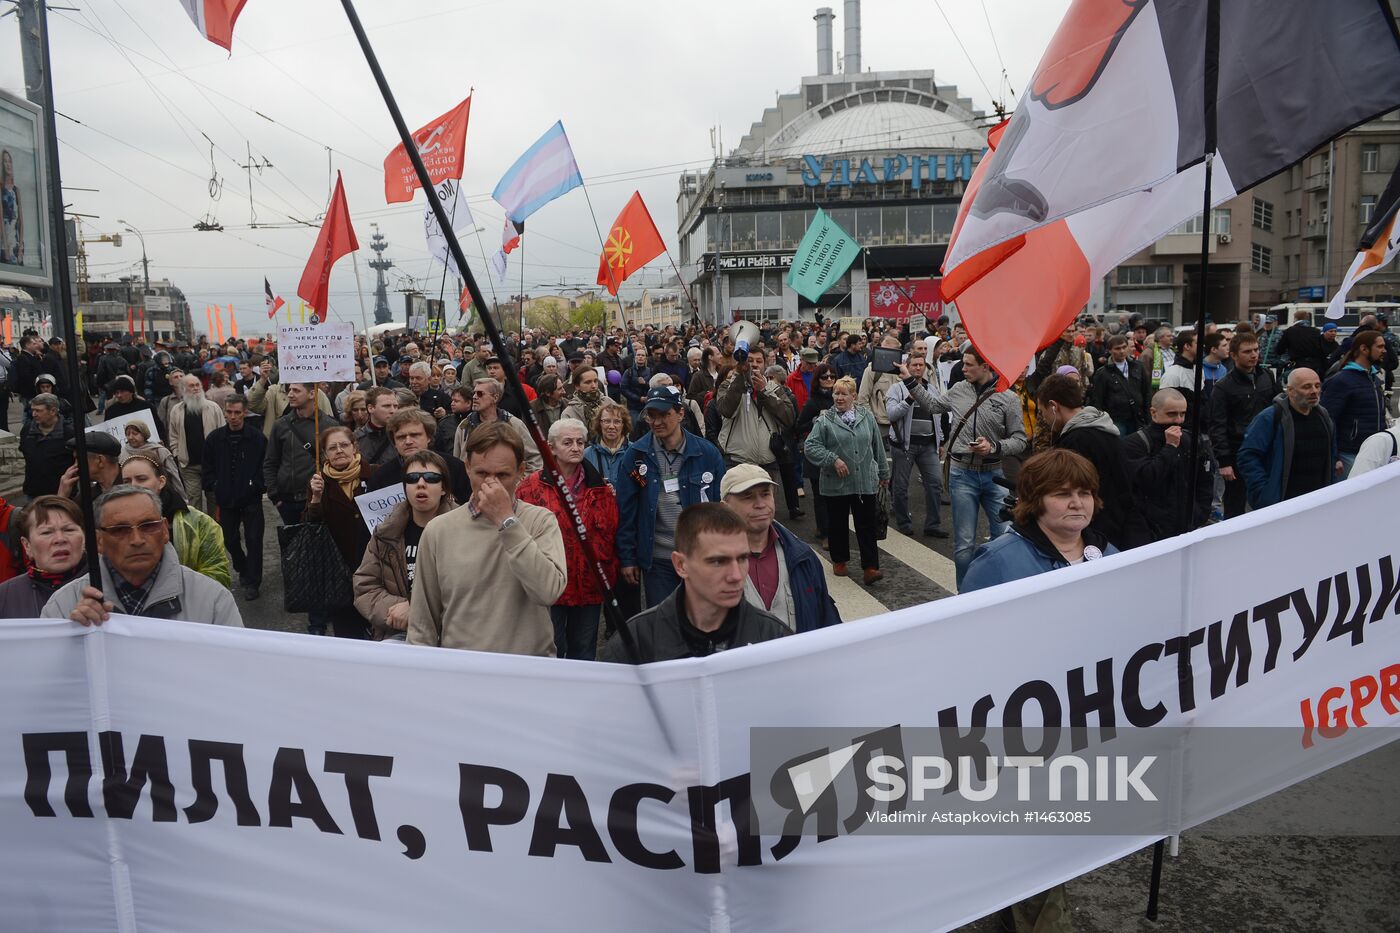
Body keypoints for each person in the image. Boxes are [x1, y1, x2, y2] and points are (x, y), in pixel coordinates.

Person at [407, 421, 566, 655]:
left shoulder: (541, 521)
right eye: (482, 473)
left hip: (528, 667)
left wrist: (507, 521)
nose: (491, 483)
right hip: (464, 668)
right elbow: (422, 624)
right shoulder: (439, 530)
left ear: (521, 471)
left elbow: (548, 591)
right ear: (467, 467)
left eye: (503, 475)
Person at [601, 503, 789, 663]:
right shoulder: (635, 642)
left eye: (742, 558)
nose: (736, 575)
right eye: (718, 562)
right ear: (681, 565)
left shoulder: (775, 638)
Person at [42, 485, 243, 627]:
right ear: (99, 541)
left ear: (165, 530)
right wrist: (73, 637)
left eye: (148, 526)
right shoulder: (63, 607)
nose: (137, 540)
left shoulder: (213, 600)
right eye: (120, 530)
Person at [919, 347, 1029, 589]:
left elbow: (1020, 440)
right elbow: (933, 406)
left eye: (969, 364)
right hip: (962, 474)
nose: (963, 369)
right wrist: (909, 381)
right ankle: (966, 594)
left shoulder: (1007, 397)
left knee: (1004, 538)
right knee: (964, 544)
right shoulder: (958, 389)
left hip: (994, 475)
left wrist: (994, 447)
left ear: (985, 366)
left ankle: (1001, 591)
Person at [615, 385, 727, 607]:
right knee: (665, 620)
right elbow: (626, 511)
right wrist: (628, 557)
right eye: (651, 416)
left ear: (680, 413)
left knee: (703, 615)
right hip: (659, 560)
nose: (657, 422)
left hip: (700, 556)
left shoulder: (707, 454)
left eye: (664, 414)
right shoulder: (636, 456)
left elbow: (721, 507)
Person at [516, 418, 620, 660]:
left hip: (588, 586)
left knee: (584, 652)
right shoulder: (529, 488)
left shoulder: (600, 489)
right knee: (550, 650)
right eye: (568, 442)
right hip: (548, 585)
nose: (575, 447)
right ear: (551, 448)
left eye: (580, 442)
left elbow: (611, 532)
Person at [962, 448, 1118, 589]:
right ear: (1034, 500)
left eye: (1084, 493)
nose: (1077, 504)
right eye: (1063, 494)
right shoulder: (995, 561)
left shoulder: (1110, 553)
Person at [720, 464, 841, 632]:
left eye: (765, 494)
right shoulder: (707, 565)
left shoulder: (803, 556)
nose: (760, 504)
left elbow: (826, 620)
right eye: (748, 497)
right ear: (725, 507)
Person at [1037, 374, 1151, 550]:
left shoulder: (1075, 441)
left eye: (1042, 411)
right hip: (1125, 522)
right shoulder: (1105, 428)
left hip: (1099, 530)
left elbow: (1073, 490)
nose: (1044, 418)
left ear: (1053, 406)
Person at [353, 449, 455, 641]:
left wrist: (416, 611)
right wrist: (397, 611)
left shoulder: (463, 531)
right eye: (412, 478)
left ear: (444, 487)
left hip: (450, 639)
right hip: (397, 634)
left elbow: (475, 594)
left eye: (431, 478)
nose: (421, 484)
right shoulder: (385, 534)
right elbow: (365, 587)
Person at [804, 375, 889, 584]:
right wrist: (832, 459)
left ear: (854, 396)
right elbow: (810, 446)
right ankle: (839, 560)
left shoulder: (866, 417)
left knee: (866, 525)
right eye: (836, 393)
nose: (839, 398)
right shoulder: (825, 420)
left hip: (864, 480)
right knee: (837, 524)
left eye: (844, 394)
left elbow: (877, 446)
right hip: (836, 482)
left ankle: (870, 567)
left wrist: (883, 473)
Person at [305, 425, 378, 638]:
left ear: (354, 447)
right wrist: (316, 498)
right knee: (347, 631)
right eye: (332, 447)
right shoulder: (318, 482)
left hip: (374, 564)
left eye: (344, 445)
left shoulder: (374, 473)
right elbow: (311, 525)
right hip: (338, 569)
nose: (339, 451)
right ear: (325, 454)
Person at [118, 453, 231, 588]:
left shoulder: (199, 522)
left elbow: (217, 573)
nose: (134, 486)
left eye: (141, 479)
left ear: (161, 482)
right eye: (126, 482)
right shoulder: (113, 525)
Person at [1238, 368, 1339, 510]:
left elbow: (1331, 453)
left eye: (1317, 385)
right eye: (1306, 387)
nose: (1314, 391)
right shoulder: (1270, 417)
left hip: (1316, 502)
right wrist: (1264, 492)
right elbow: (1248, 456)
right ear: (1290, 390)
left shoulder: (1323, 416)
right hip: (1282, 503)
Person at [1122, 388, 1215, 541]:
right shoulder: (1135, 443)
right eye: (1171, 414)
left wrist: (1200, 512)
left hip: (1186, 524)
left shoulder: (1191, 440)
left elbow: (1205, 479)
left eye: (1182, 414)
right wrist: (1170, 447)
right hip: (1149, 529)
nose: (1178, 420)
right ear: (1153, 413)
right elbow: (1147, 479)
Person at [202, 394, 267, 600]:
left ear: (244, 413)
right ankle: (242, 566)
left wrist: (257, 485)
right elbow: (207, 468)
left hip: (251, 498)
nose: (233, 417)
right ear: (224, 412)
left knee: (254, 540)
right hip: (226, 498)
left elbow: (265, 465)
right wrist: (215, 485)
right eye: (229, 412)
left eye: (237, 412)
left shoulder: (257, 438)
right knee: (229, 539)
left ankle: (253, 582)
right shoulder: (214, 439)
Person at [1206, 332, 1278, 518]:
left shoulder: (1267, 376)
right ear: (1234, 355)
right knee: (1235, 504)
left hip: (1267, 448)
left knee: (1268, 501)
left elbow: (1278, 409)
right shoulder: (1223, 386)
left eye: (1256, 350)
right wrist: (1224, 462)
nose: (1254, 355)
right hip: (1238, 451)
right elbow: (1217, 426)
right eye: (1247, 351)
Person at [885, 352, 947, 538]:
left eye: (921, 365)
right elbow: (891, 414)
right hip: (904, 446)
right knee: (901, 487)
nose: (918, 368)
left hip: (928, 445)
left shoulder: (932, 389)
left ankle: (933, 525)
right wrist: (910, 399)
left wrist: (940, 441)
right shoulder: (897, 389)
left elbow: (938, 417)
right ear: (907, 367)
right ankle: (904, 522)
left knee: (935, 484)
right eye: (914, 365)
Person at [0, 496, 87, 618]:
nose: (60, 539)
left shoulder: (106, 580)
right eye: (46, 532)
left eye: (69, 530)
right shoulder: (6, 596)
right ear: (27, 545)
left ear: (84, 538)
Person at [369, 409, 472, 505]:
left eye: (415, 435)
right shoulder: (381, 477)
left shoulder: (455, 468)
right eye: (401, 437)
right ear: (394, 442)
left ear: (429, 437)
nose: (408, 441)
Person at [1320, 329, 1387, 477]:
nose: (1384, 350)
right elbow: (1327, 419)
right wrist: (1334, 456)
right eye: (1380, 346)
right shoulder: (1342, 380)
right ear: (1364, 349)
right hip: (1349, 455)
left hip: (1373, 453)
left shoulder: (1374, 379)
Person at [452, 377, 542, 472]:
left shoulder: (514, 424)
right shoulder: (465, 426)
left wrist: (520, 480)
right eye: (474, 393)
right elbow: (457, 463)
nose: (474, 397)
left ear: (495, 398)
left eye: (480, 393)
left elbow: (535, 459)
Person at [166, 374, 223, 515]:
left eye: (197, 385)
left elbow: (223, 433)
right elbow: (173, 436)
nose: (196, 388)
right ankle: (197, 526)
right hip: (188, 465)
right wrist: (177, 453)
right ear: (184, 389)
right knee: (193, 500)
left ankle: (214, 525)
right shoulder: (176, 410)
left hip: (212, 464)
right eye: (191, 386)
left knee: (214, 498)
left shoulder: (213, 408)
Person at [796, 363, 837, 541]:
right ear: (817, 380)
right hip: (817, 452)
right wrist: (815, 419)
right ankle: (825, 532)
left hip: (836, 451)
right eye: (824, 377)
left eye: (832, 376)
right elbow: (799, 426)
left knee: (835, 495)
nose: (829, 379)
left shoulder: (839, 398)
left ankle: (827, 528)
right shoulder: (812, 402)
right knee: (820, 495)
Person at [247, 362, 333, 439]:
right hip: (281, 445)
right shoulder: (274, 392)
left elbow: (329, 425)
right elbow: (252, 405)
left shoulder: (317, 393)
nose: (290, 395)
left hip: (311, 444)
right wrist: (263, 380)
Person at [1088, 335, 1151, 436]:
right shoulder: (1102, 373)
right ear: (1110, 350)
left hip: (1137, 417)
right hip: (1116, 420)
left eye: (1124, 347)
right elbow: (1097, 400)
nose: (1122, 351)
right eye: (1117, 348)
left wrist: (1148, 417)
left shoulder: (1138, 366)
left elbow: (1146, 392)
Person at [19, 393, 73, 499]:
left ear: (53, 411)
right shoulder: (27, 430)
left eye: (38, 410)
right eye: (32, 410)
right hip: (33, 492)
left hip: (61, 494)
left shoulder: (69, 433)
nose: (34, 414)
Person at [57, 431, 124, 502]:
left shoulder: (130, 486)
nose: (75, 465)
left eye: (78, 459)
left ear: (100, 460)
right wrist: (62, 496)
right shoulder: (86, 498)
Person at [584, 400, 633, 484]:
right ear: (599, 423)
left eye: (617, 422)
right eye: (606, 421)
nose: (611, 426)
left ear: (623, 424)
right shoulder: (586, 455)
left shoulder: (634, 452)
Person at [1275, 309, 1330, 378]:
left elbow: (1279, 350)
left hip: (1298, 365)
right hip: (1314, 366)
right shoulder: (1316, 331)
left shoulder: (1289, 331)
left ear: (1295, 318)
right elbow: (1322, 350)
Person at [355, 385, 401, 467]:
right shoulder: (355, 439)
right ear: (370, 408)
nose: (393, 411)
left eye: (395, 406)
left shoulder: (402, 436)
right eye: (386, 406)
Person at [561, 365, 607, 439]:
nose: (594, 386)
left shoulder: (609, 403)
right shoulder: (569, 413)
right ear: (577, 386)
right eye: (588, 382)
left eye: (595, 381)